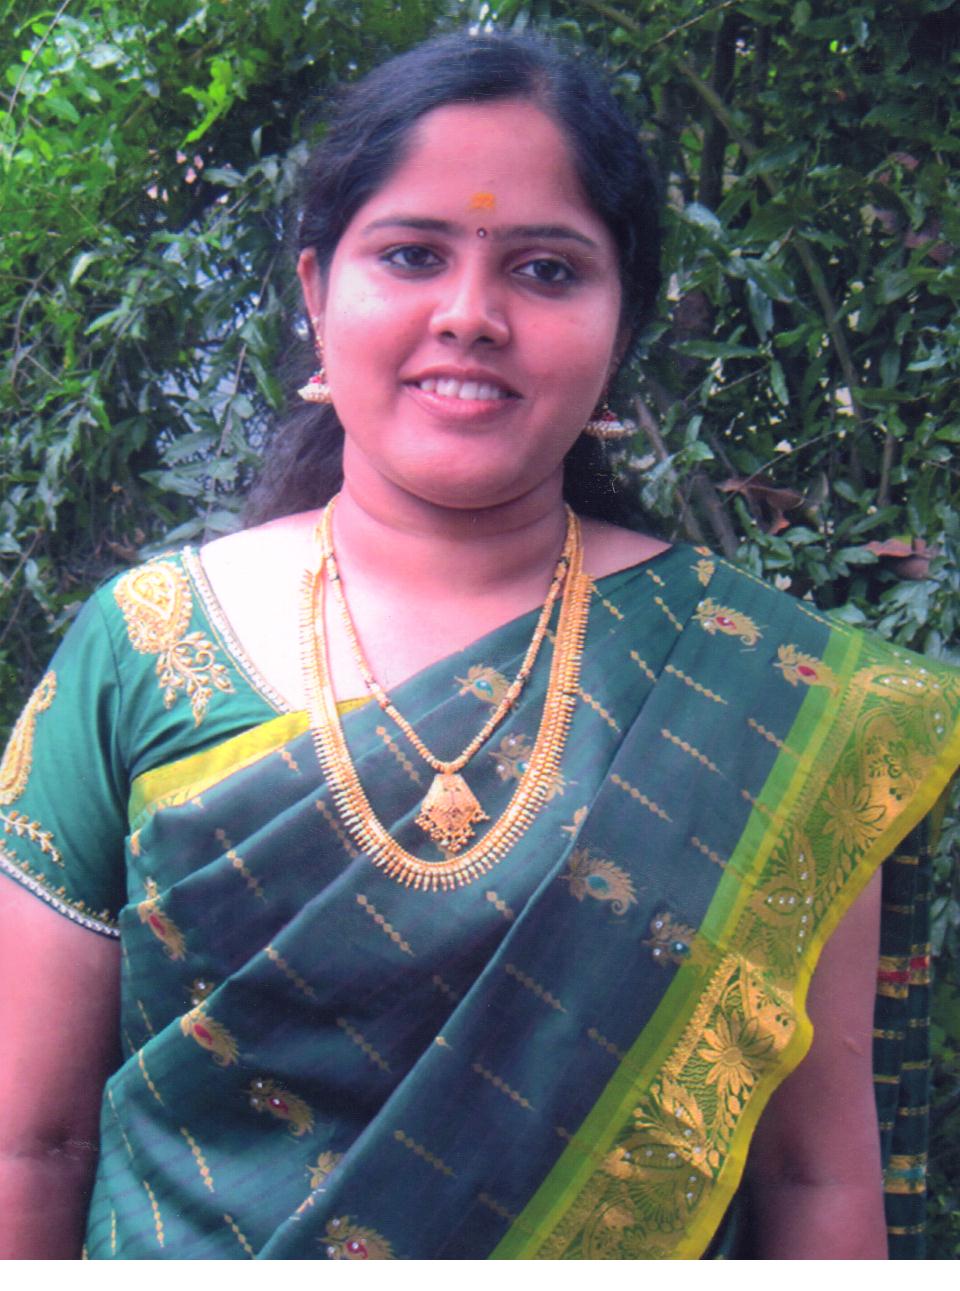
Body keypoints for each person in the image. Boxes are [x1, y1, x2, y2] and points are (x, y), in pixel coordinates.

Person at [0, 31, 957, 1261]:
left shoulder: (771, 699)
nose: (469, 316)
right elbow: (31, 1143)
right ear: (315, 290)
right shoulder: (140, 648)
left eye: (546, 271)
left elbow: (813, 1175)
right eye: (411, 255)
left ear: (622, 323)